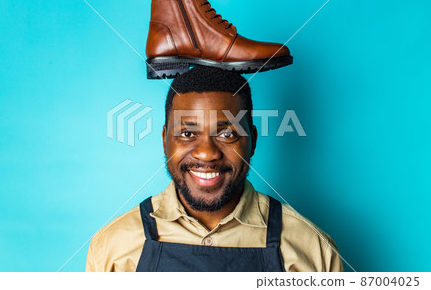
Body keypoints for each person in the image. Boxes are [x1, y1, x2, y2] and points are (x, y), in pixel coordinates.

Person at [86, 66, 343, 272]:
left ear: (252, 140)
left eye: (227, 133)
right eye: (187, 133)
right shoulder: (113, 247)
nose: (207, 153)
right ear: (165, 141)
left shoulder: (312, 249)